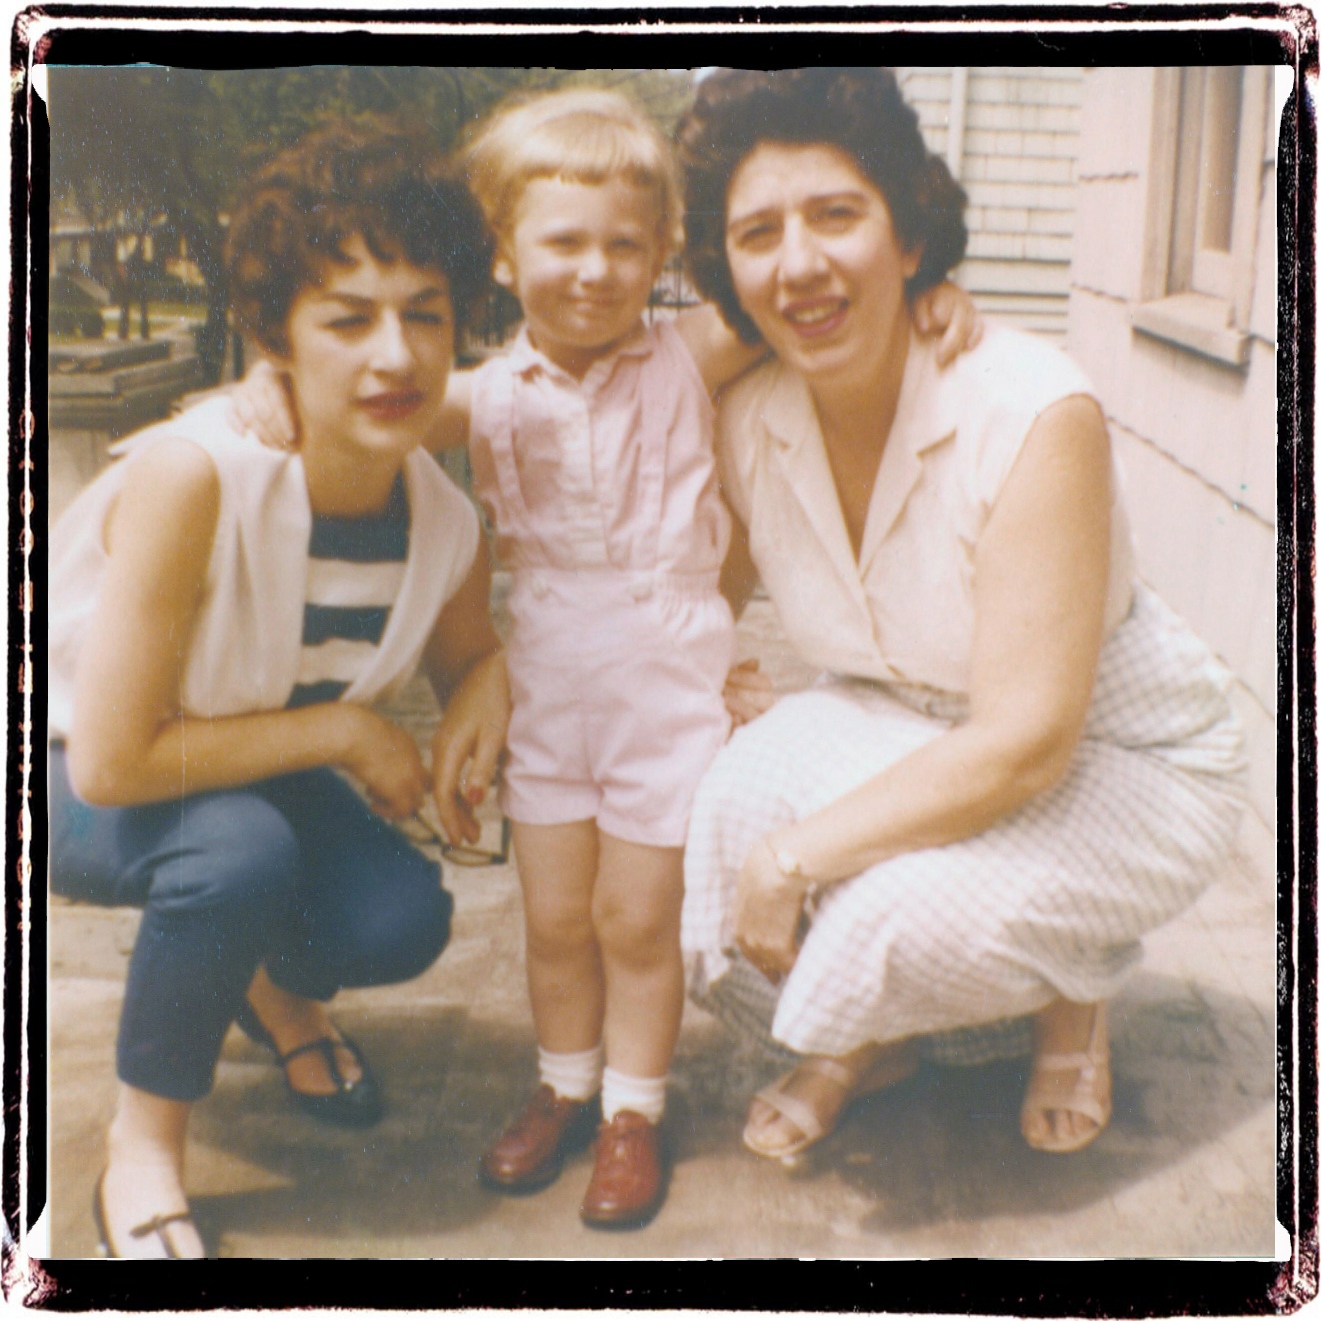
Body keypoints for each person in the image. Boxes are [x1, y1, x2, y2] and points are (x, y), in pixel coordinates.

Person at [230, 86, 980, 1228]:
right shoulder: (477, 396)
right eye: (564, 241)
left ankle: (634, 1108)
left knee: (637, 918)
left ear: (663, 253)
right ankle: (563, 1083)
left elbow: (816, 293)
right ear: (503, 248)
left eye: (626, 244)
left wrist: (932, 290)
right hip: (547, 690)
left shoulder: (689, 353)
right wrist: (269, 384)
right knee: (554, 917)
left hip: (665, 687)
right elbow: (352, 395)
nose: (595, 268)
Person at [675, 67, 1247, 1165]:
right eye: (757, 233)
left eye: (836, 215)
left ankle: (1069, 1000)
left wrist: (796, 860)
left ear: (906, 234)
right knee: (711, 819)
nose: (798, 262)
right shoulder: (746, 417)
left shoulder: (1029, 406)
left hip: (1118, 756)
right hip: (913, 719)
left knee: (897, 914)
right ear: (725, 271)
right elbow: (684, 576)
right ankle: (870, 1039)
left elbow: (1028, 742)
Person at [47, 119, 509, 1257]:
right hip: (66, 764)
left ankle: (262, 982)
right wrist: (350, 729)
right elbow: (112, 762)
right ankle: (144, 1146)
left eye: (425, 314)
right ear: (278, 338)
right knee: (237, 855)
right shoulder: (196, 476)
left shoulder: (442, 519)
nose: (393, 356)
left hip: (235, 766)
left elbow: (471, 649)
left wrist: (481, 694)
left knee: (399, 919)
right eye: (346, 320)